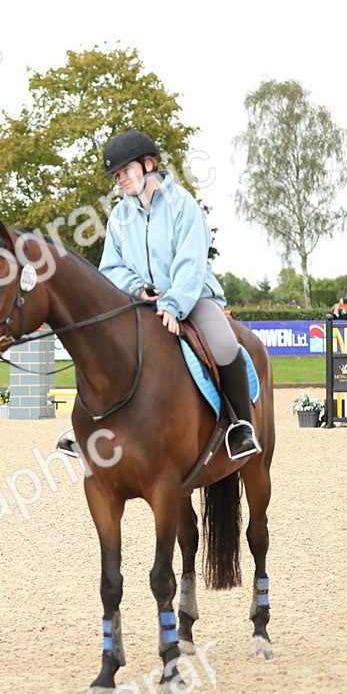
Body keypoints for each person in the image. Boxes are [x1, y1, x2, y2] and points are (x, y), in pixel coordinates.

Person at [97, 130, 260, 459]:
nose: (120, 180)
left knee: (224, 343)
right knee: (102, 344)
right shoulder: (118, 217)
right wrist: (138, 288)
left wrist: (172, 305)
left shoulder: (183, 205)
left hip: (193, 298)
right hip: (142, 302)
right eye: (116, 175)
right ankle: (93, 425)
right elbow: (110, 267)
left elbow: (191, 262)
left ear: (148, 164)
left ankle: (241, 427)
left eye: (125, 171)